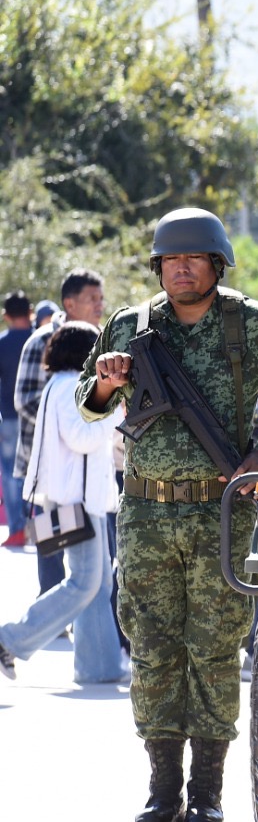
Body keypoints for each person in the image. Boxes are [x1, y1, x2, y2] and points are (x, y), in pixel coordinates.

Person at [77, 209, 258, 822]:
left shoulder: (254, 325)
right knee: (153, 651)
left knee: (213, 651)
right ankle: (162, 793)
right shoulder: (129, 326)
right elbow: (90, 404)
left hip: (221, 513)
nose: (181, 269)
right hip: (147, 512)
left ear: (216, 263)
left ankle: (206, 796)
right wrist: (107, 381)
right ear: (158, 266)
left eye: (194, 259)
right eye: (170, 260)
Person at [0, 321, 125, 683]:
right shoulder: (72, 385)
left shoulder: (60, 384)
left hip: (74, 498)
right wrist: (117, 415)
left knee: (98, 583)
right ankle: (9, 638)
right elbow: (80, 438)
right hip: (77, 500)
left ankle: (98, 668)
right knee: (85, 583)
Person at [14, 269, 105, 595]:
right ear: (69, 302)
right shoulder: (41, 341)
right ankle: (48, 613)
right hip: (52, 469)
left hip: (90, 471)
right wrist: (68, 420)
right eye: (91, 299)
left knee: (95, 568)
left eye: (101, 298)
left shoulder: (100, 341)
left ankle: (89, 634)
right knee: (54, 547)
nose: (99, 305)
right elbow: (24, 400)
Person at [1, 291, 32, 547]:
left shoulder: (2, 343)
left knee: (11, 473)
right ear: (30, 311)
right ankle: (38, 527)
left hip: (9, 417)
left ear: (6, 315)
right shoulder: (40, 339)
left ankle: (18, 530)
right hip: (37, 418)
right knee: (37, 471)